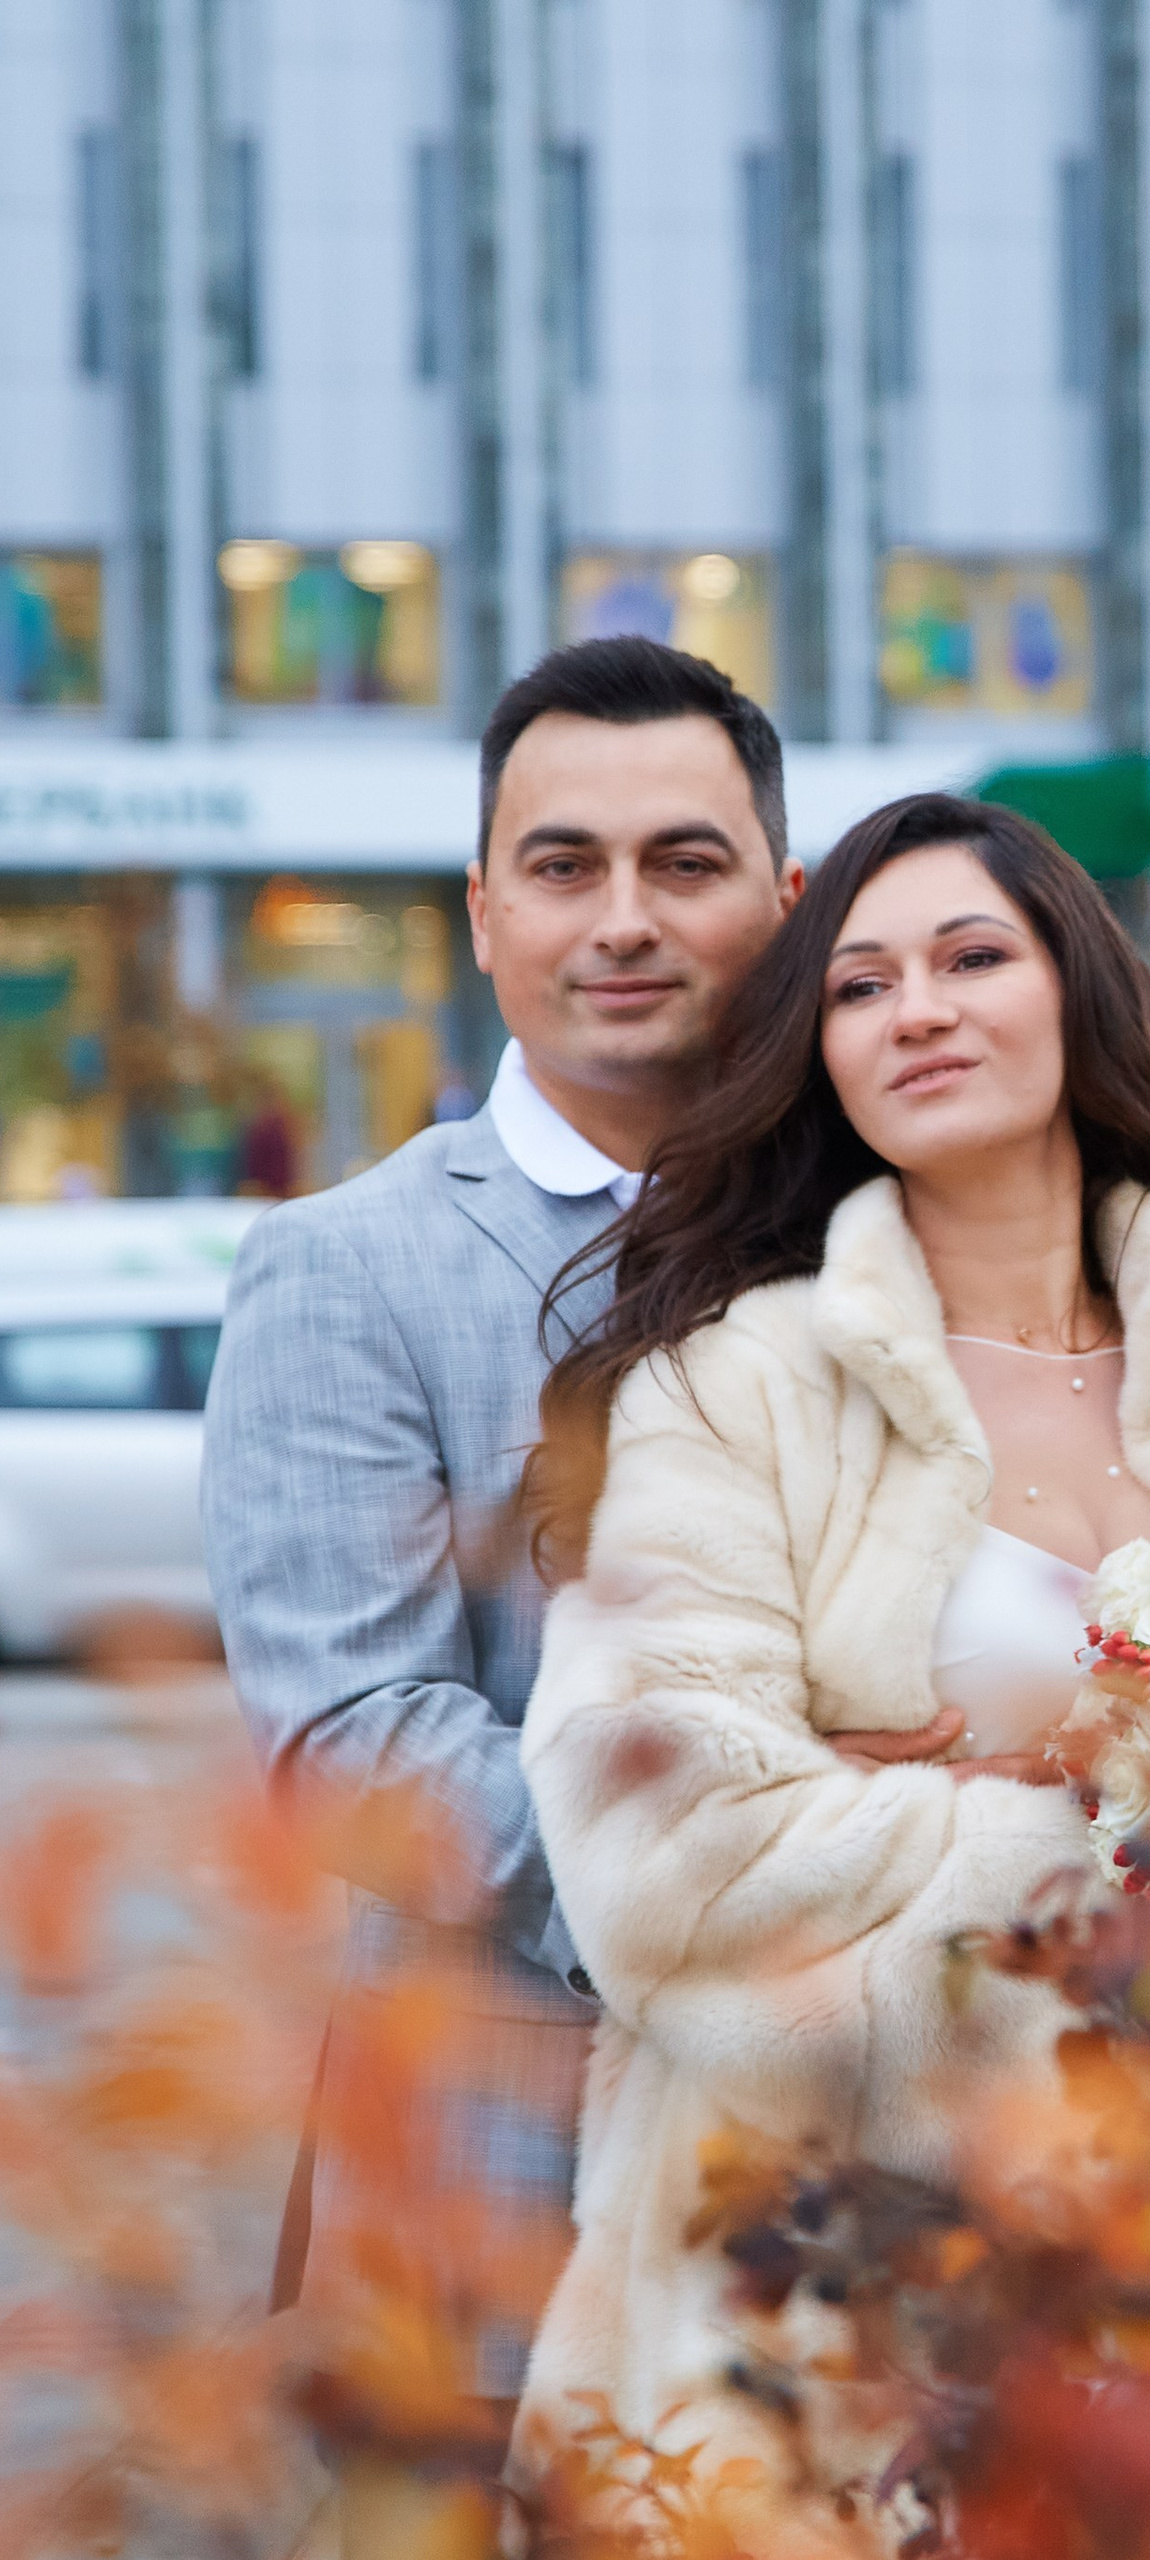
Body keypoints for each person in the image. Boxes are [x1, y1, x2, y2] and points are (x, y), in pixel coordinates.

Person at [508, 792, 1150, 2537]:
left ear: (1077, 993)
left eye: (971, 957)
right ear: (818, 1055)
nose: (915, 1008)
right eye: (857, 985)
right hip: (842, 2296)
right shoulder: (740, 1389)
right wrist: (1060, 1849)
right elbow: (659, 1856)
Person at [200, 636, 853, 2510]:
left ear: (786, 903)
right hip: (501, 2200)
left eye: (689, 862)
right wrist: (748, 1908)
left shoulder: (901, 1229)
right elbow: (354, 1731)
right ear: (485, 914)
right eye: (565, 866)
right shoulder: (353, 1269)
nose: (625, 919)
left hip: (883, 2210)